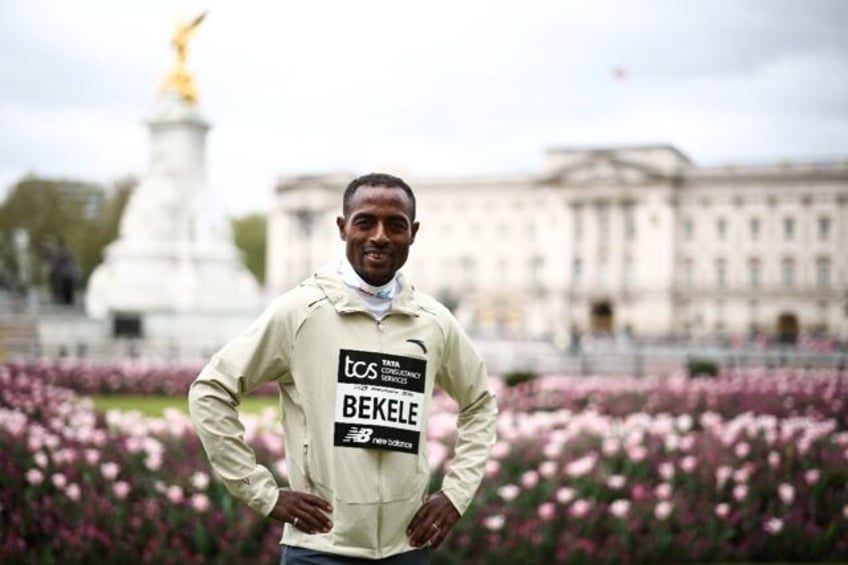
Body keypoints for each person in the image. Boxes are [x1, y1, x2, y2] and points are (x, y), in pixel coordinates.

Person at [188, 172, 498, 564]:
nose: (380, 237)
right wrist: (262, 492)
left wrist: (456, 494)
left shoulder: (434, 320)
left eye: (395, 225)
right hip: (319, 551)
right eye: (365, 222)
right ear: (342, 228)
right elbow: (210, 391)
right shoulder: (299, 311)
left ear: (413, 233)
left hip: (407, 551)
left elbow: (480, 405)